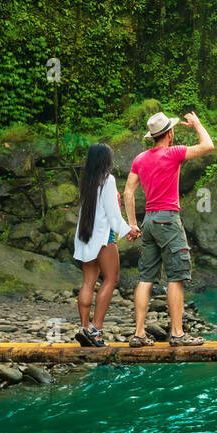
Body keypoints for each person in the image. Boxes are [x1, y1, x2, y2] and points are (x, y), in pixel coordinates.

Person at [124, 111, 214, 346]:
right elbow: (208, 145)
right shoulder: (173, 153)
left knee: (145, 278)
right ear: (170, 133)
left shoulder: (140, 158)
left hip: (149, 221)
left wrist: (132, 223)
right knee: (175, 277)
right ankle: (177, 334)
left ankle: (139, 334)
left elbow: (128, 192)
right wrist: (197, 125)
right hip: (168, 220)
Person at [72, 143, 137, 346]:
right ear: (105, 160)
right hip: (103, 237)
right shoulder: (107, 180)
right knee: (111, 279)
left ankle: (84, 328)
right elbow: (112, 213)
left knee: (88, 282)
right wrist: (129, 230)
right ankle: (96, 329)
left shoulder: (86, 181)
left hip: (85, 236)